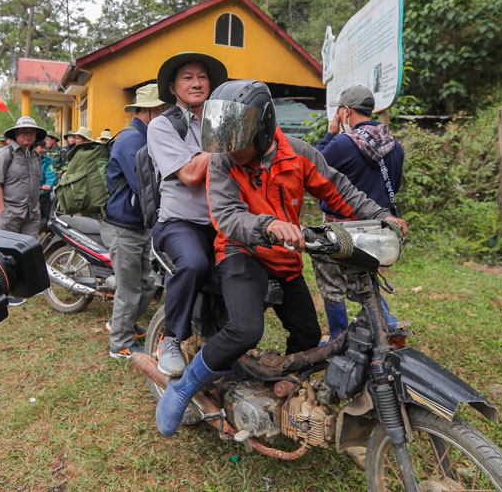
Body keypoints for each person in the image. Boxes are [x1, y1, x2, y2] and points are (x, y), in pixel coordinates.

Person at [155, 80, 408, 436]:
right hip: (240, 252)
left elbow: (339, 191)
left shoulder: (300, 154)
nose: (230, 151)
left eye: (238, 142)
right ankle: (183, 386)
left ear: (262, 128)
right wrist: (269, 224)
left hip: (286, 259)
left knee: (307, 337)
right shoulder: (223, 163)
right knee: (245, 329)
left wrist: (382, 216)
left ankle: (287, 398)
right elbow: (227, 216)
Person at [147, 51, 228, 378]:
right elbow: (192, 174)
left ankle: (228, 340)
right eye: (187, 77)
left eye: (202, 77)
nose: (196, 83)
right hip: (179, 224)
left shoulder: (219, 120)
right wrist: (226, 139)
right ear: (173, 87)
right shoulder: (162, 125)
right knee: (193, 263)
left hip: (224, 221)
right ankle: (171, 338)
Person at [313, 85, 405, 339]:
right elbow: (393, 188)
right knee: (365, 281)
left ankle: (338, 337)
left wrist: (330, 134)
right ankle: (389, 326)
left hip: (340, 229)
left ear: (345, 111)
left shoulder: (342, 144)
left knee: (332, 286)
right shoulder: (394, 146)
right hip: (377, 231)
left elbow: (310, 168)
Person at [101, 84, 169, 358]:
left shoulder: (144, 136)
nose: (164, 114)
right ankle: (120, 344)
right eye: (161, 109)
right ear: (149, 110)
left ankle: (122, 324)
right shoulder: (131, 140)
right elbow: (145, 186)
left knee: (148, 283)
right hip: (123, 227)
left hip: (138, 224)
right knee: (129, 288)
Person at [0, 116, 45, 306]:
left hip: (32, 213)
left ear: (36, 135)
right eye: (23, 131)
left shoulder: (35, 155)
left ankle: (28, 287)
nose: (27, 134)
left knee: (30, 251)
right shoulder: (5, 154)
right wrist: (3, 211)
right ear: (15, 134)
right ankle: (8, 292)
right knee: (7, 256)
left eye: (31, 131)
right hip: (11, 213)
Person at [33, 140, 56, 232]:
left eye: (44, 148)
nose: (43, 150)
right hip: (30, 197)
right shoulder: (27, 159)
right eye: (41, 148)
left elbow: (49, 174)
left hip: (43, 194)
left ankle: (52, 234)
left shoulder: (47, 160)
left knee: (50, 216)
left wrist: (48, 184)